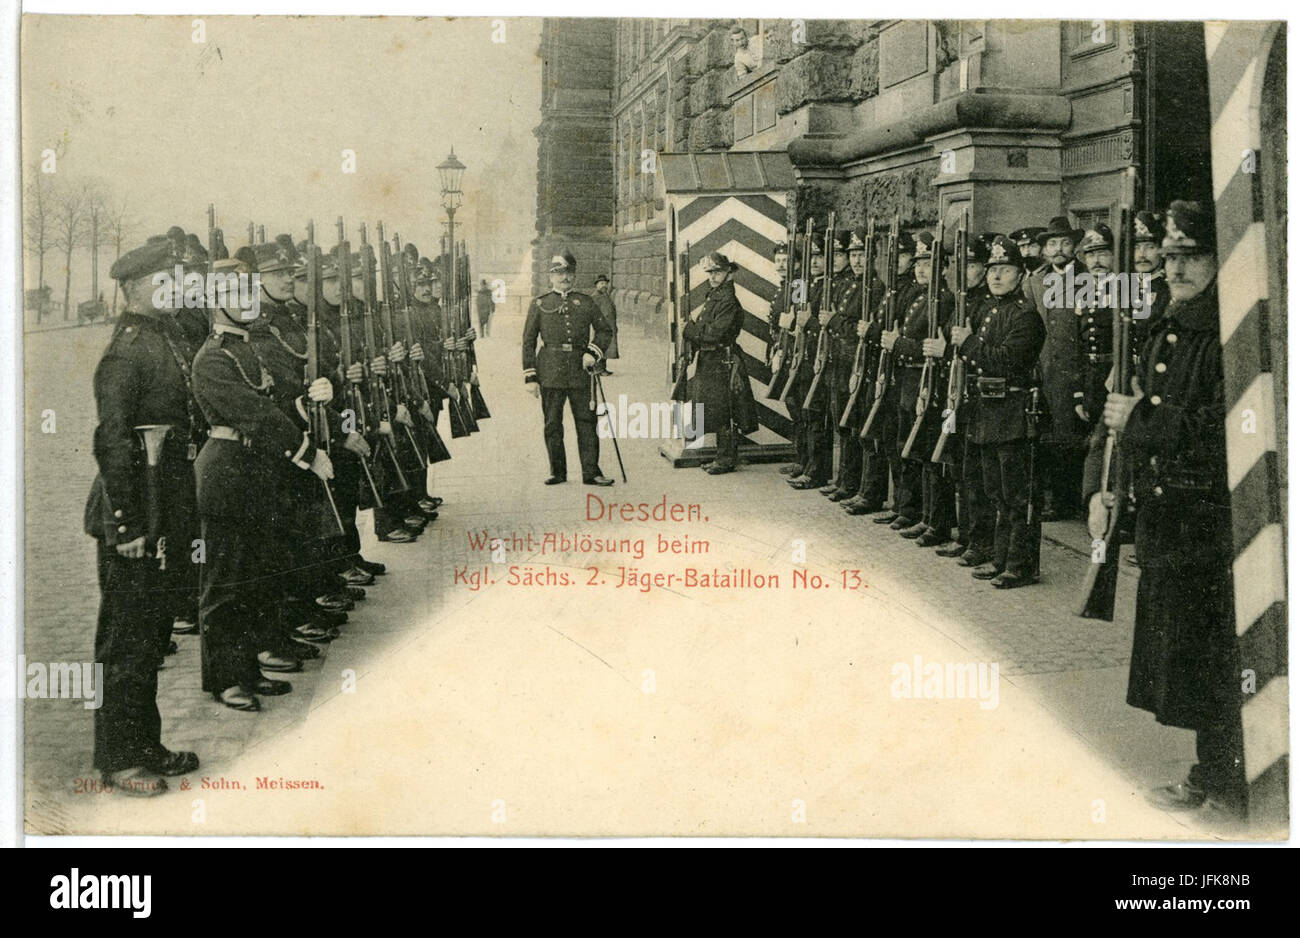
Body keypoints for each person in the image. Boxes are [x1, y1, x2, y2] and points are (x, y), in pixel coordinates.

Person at [1085, 200, 1244, 818]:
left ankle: (1230, 783)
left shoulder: (1230, 327)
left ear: (1217, 257)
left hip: (1208, 523)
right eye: (1170, 255)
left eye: (1190, 255)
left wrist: (1144, 417)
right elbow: (1131, 426)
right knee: (1193, 658)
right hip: (1171, 521)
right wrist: (1109, 493)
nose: (1175, 267)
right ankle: (1214, 771)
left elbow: (1229, 425)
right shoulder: (1170, 322)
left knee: (1217, 656)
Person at [191, 255, 335, 712]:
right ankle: (222, 679)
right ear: (216, 302)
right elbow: (254, 414)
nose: (247, 302)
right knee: (224, 584)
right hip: (226, 473)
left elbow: (275, 403)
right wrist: (308, 453)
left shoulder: (248, 348)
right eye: (235, 295)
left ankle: (248, 669)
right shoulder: (211, 358)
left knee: (253, 577)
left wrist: (311, 397)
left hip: (255, 472)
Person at [85, 233, 202, 796]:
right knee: (125, 640)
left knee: (152, 634)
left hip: (165, 502)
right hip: (130, 511)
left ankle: (145, 744)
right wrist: (127, 525)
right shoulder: (127, 349)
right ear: (134, 289)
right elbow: (110, 440)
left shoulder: (167, 335)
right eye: (164, 281)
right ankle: (117, 759)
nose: (174, 288)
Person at [950, 236, 1046, 589]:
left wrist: (970, 343)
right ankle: (1000, 556)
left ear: (1020, 275)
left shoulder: (1026, 317)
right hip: (987, 411)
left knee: (1016, 494)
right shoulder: (990, 310)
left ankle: (1020, 564)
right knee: (994, 490)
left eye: (1004, 269)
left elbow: (1006, 360)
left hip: (1013, 411)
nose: (996, 276)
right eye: (992, 269)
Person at [883, 230, 954, 540]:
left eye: (929, 263)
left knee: (929, 452)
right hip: (909, 380)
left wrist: (898, 344)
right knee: (911, 448)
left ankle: (936, 520)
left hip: (929, 382)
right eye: (919, 263)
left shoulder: (945, 298)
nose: (922, 269)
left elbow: (930, 347)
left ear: (942, 267)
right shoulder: (916, 295)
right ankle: (915, 511)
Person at [522, 251, 615, 486]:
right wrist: (530, 376)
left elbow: (605, 330)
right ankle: (558, 472)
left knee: (587, 422)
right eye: (559, 273)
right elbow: (528, 341)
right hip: (550, 371)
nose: (565, 278)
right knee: (552, 423)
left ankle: (591, 472)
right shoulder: (540, 304)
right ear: (550, 276)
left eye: (569, 273)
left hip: (580, 371)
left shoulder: (586, 302)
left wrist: (592, 352)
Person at [846, 231, 919, 519]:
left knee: (895, 440)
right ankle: (878, 495)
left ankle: (902, 506)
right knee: (882, 436)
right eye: (894, 256)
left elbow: (893, 332)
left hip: (900, 375)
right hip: (882, 370)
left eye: (902, 256)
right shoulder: (894, 289)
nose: (897, 261)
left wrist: (874, 332)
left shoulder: (909, 290)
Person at [1025, 215, 1085, 520]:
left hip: (1073, 369)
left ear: (1074, 246)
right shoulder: (1034, 280)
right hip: (1043, 367)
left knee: (1070, 437)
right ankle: (1049, 498)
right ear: (1045, 249)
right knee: (1044, 435)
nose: (1058, 248)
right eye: (1052, 243)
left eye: (1064, 242)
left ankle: (1067, 501)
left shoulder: (1087, 278)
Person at [683, 252, 758, 474]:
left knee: (725, 410)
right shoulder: (715, 295)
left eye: (718, 272)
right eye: (711, 272)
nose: (713, 276)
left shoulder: (727, 300)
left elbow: (714, 333)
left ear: (729, 273)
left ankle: (726, 459)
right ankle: (721, 456)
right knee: (716, 409)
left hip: (722, 359)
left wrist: (690, 330)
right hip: (711, 359)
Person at [1071, 224, 1116, 435]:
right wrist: (1079, 392)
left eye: (1103, 253)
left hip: (1114, 376)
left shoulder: (1126, 289)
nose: (1096, 260)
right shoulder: (1082, 290)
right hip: (1090, 379)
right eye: (1091, 255)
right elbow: (1078, 345)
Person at [592, 274, 619, 375]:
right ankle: (598, 369)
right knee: (600, 347)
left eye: (606, 283)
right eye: (601, 283)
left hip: (609, 326)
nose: (604, 285)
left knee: (607, 348)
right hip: (601, 327)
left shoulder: (606, 296)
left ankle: (603, 368)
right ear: (597, 285)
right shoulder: (595, 297)